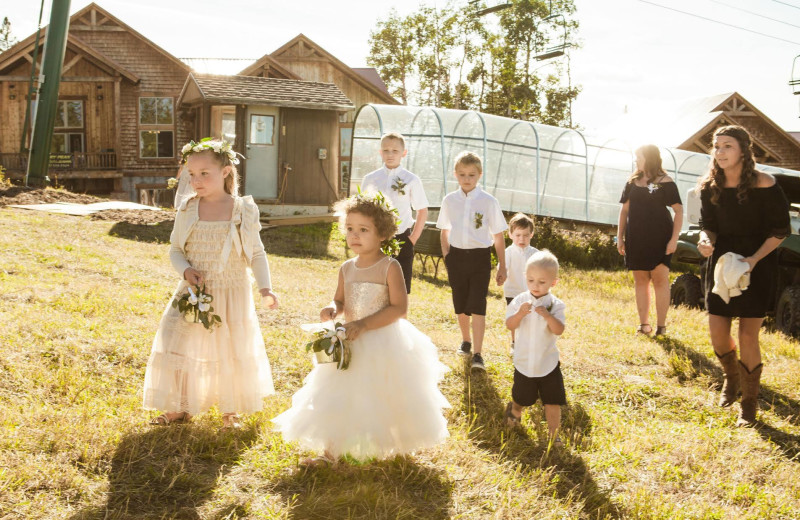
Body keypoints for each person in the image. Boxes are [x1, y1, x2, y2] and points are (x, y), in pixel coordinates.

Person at [272, 191, 450, 465]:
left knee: (380, 394)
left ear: (382, 234)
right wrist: (333, 308)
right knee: (339, 393)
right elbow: (341, 299)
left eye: (363, 230)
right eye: (350, 229)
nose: (354, 235)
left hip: (381, 339)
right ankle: (330, 451)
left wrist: (364, 324)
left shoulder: (389, 267)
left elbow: (399, 309)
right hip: (349, 338)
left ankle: (382, 444)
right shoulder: (347, 267)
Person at [143, 138, 279, 430]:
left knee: (229, 347)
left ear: (226, 172)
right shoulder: (188, 209)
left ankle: (230, 411)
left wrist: (265, 287)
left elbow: (256, 252)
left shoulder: (242, 209)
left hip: (231, 290)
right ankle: (180, 406)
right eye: (192, 174)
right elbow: (175, 249)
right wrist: (186, 270)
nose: (197, 180)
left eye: (205, 173)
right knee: (175, 341)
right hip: (193, 290)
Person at [697, 125, 789, 427]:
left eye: (727, 146)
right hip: (722, 264)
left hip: (757, 263)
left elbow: (780, 231)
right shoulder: (709, 186)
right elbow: (707, 224)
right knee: (718, 334)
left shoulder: (765, 184)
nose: (720, 152)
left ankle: (749, 404)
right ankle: (731, 378)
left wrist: (753, 260)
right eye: (717, 146)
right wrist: (705, 240)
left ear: (743, 151)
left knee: (748, 335)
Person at [437, 151, 508, 371]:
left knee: (478, 305)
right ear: (455, 175)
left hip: (479, 258)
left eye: (471, 174)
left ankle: (478, 354)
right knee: (460, 303)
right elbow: (444, 230)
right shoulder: (449, 200)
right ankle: (466, 340)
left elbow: (498, 235)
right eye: (462, 174)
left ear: (479, 175)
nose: (466, 179)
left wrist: (502, 264)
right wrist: (447, 256)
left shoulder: (488, 201)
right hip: (456, 257)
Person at [617, 144, 683, 336]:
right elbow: (624, 211)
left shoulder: (665, 182)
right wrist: (620, 237)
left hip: (660, 238)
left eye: (639, 157)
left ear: (650, 158)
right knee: (640, 280)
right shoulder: (632, 182)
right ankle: (643, 325)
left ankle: (661, 327)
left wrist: (674, 240)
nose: (636, 160)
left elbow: (678, 211)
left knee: (660, 279)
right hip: (636, 237)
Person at [504, 250, 567, 446]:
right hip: (524, 361)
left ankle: (553, 435)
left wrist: (548, 316)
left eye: (542, 282)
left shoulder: (556, 304)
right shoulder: (520, 300)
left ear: (553, 282)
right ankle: (514, 412)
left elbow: (559, 330)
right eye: (531, 280)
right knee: (522, 397)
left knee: (553, 400)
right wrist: (520, 314)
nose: (535, 286)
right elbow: (510, 325)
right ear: (525, 278)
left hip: (547, 362)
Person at [361, 132, 429, 293]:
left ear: (403, 153)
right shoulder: (371, 178)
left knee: (400, 289)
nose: (390, 154)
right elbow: (362, 210)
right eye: (386, 150)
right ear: (380, 152)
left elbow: (422, 210)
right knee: (375, 287)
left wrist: (412, 239)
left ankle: (399, 318)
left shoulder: (411, 179)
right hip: (374, 239)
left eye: (395, 151)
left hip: (402, 238)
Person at [504, 213, 539, 355]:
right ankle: (514, 342)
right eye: (518, 235)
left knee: (531, 317)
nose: (521, 239)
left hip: (531, 292)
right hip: (512, 291)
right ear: (510, 234)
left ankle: (529, 342)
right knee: (514, 317)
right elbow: (503, 268)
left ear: (531, 234)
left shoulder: (535, 253)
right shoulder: (508, 252)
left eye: (525, 235)